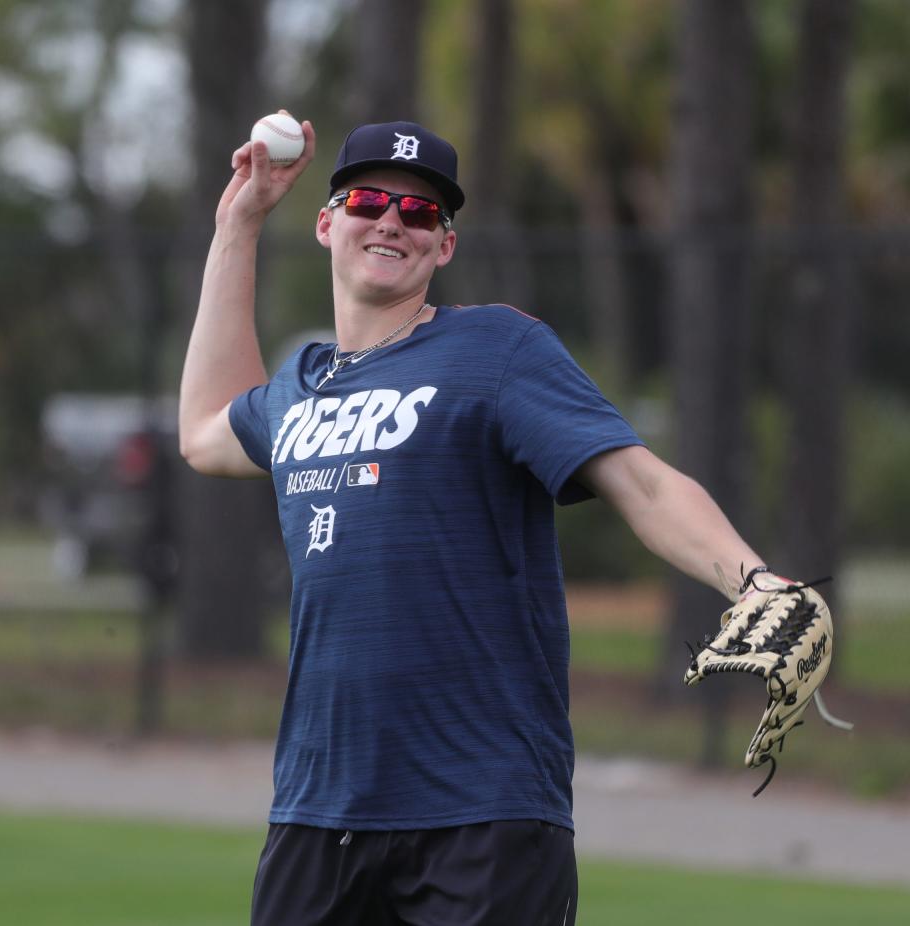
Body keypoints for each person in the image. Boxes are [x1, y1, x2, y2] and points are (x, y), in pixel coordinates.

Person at [179, 116, 770, 926]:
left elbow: (643, 482)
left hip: (480, 812)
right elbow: (205, 430)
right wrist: (238, 223)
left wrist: (755, 582)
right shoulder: (300, 388)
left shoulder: (496, 350)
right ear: (326, 223)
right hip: (318, 809)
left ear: (443, 248)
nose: (392, 220)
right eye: (369, 201)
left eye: (421, 213)